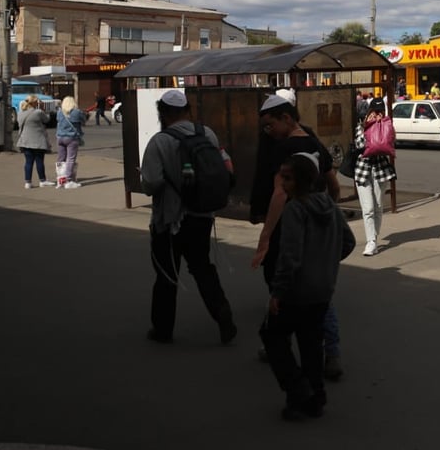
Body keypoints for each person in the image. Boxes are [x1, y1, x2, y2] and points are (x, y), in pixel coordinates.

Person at [252, 92, 347, 381]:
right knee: (320, 295)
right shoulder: (312, 141)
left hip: (290, 228)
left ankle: (278, 342)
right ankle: (331, 352)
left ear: (286, 118)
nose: (269, 132)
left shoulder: (285, 149)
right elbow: (334, 184)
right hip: (321, 228)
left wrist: (265, 238)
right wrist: (326, 211)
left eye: (270, 125)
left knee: (285, 287)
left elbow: (279, 194)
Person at [260, 152, 355, 420]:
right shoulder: (329, 206)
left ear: (301, 180)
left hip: (297, 291)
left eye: (288, 178)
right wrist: (325, 264)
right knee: (311, 344)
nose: (283, 183)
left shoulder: (295, 209)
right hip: (323, 289)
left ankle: (298, 390)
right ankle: (315, 397)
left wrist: (278, 291)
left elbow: (290, 256)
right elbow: (347, 243)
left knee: (273, 336)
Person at [138, 89, 237, 345]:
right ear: (187, 111)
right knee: (202, 268)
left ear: (164, 113)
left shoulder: (159, 142)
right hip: (202, 216)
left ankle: (162, 330)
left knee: (167, 274)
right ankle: (222, 312)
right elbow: (225, 167)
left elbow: (150, 183)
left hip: (169, 219)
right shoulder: (207, 134)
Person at [352, 98, 395, 256]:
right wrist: (368, 126)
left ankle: (374, 238)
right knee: (368, 208)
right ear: (369, 111)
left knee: (378, 206)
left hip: (380, 169)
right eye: (374, 111)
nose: (377, 114)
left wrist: (382, 125)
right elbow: (359, 145)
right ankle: (371, 241)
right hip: (362, 170)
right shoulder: (361, 126)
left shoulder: (386, 124)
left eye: (380, 111)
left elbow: (390, 143)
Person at [17, 95, 51, 189]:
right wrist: (43, 108)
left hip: (25, 141)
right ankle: (42, 180)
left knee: (28, 162)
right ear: (34, 103)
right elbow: (47, 119)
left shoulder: (20, 113)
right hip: (38, 141)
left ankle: (28, 182)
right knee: (39, 161)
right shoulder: (38, 112)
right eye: (37, 101)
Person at [55, 96, 86, 188]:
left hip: (60, 137)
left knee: (61, 159)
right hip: (71, 137)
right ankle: (68, 180)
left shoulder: (59, 112)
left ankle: (60, 179)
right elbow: (83, 120)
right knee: (70, 159)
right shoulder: (76, 112)